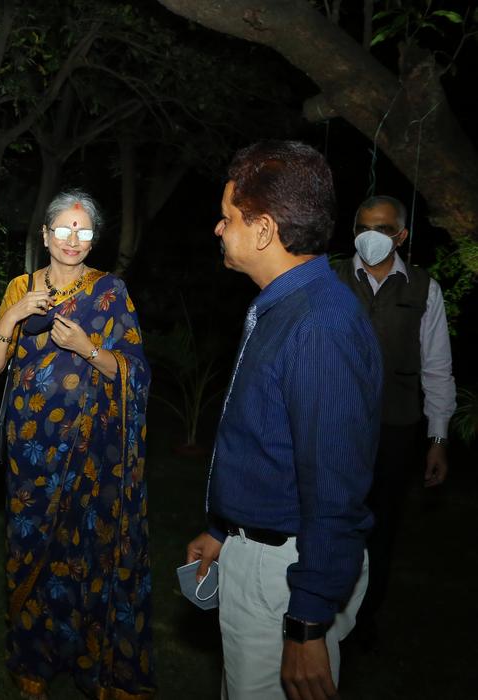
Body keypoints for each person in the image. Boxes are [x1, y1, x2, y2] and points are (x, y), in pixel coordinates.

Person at [185, 141, 382, 700]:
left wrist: (307, 623)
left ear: (264, 230)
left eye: (228, 218)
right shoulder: (286, 304)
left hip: (283, 578)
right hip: (260, 554)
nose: (218, 229)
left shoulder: (319, 326)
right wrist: (224, 531)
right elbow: (271, 446)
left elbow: (335, 486)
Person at [0, 190, 154, 700]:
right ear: (45, 234)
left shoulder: (111, 292)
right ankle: (33, 659)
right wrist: (11, 317)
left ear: (93, 240)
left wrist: (86, 348)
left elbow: (135, 373)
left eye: (84, 231)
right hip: (30, 454)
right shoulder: (21, 287)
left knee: (89, 556)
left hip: (96, 457)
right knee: (30, 548)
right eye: (63, 229)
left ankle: (94, 663)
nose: (73, 240)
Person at [333, 195, 456, 647]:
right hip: (335, 425)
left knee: (381, 525)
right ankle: (321, 612)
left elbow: (437, 369)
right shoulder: (330, 278)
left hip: (395, 427)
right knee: (331, 517)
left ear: (401, 235)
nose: (372, 237)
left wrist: (438, 438)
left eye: (383, 229)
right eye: (364, 227)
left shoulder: (424, 288)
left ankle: (364, 619)